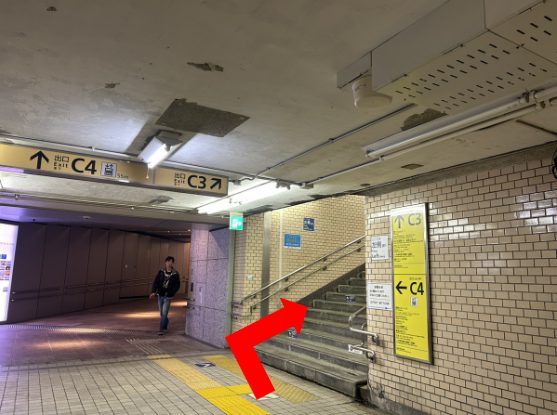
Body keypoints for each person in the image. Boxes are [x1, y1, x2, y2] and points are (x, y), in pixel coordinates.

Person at [149, 256, 180, 335]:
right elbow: (156, 282)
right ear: (165, 262)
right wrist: (153, 292)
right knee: (162, 314)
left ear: (173, 263)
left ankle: (161, 330)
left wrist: (172, 292)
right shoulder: (161, 272)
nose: (169, 263)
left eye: (171, 262)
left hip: (168, 296)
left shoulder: (175, 273)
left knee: (164, 313)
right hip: (160, 295)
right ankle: (165, 326)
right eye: (168, 261)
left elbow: (177, 285)